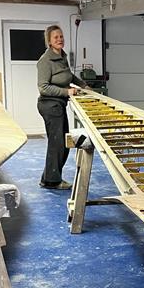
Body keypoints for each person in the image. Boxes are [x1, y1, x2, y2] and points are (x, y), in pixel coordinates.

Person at [36, 25, 89, 190]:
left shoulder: (62, 57)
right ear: (49, 42)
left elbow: (68, 76)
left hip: (58, 104)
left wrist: (83, 85)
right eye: (55, 37)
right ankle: (52, 181)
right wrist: (67, 91)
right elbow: (43, 87)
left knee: (63, 143)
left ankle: (49, 178)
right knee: (57, 144)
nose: (60, 39)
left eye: (61, 36)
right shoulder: (45, 61)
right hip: (49, 104)